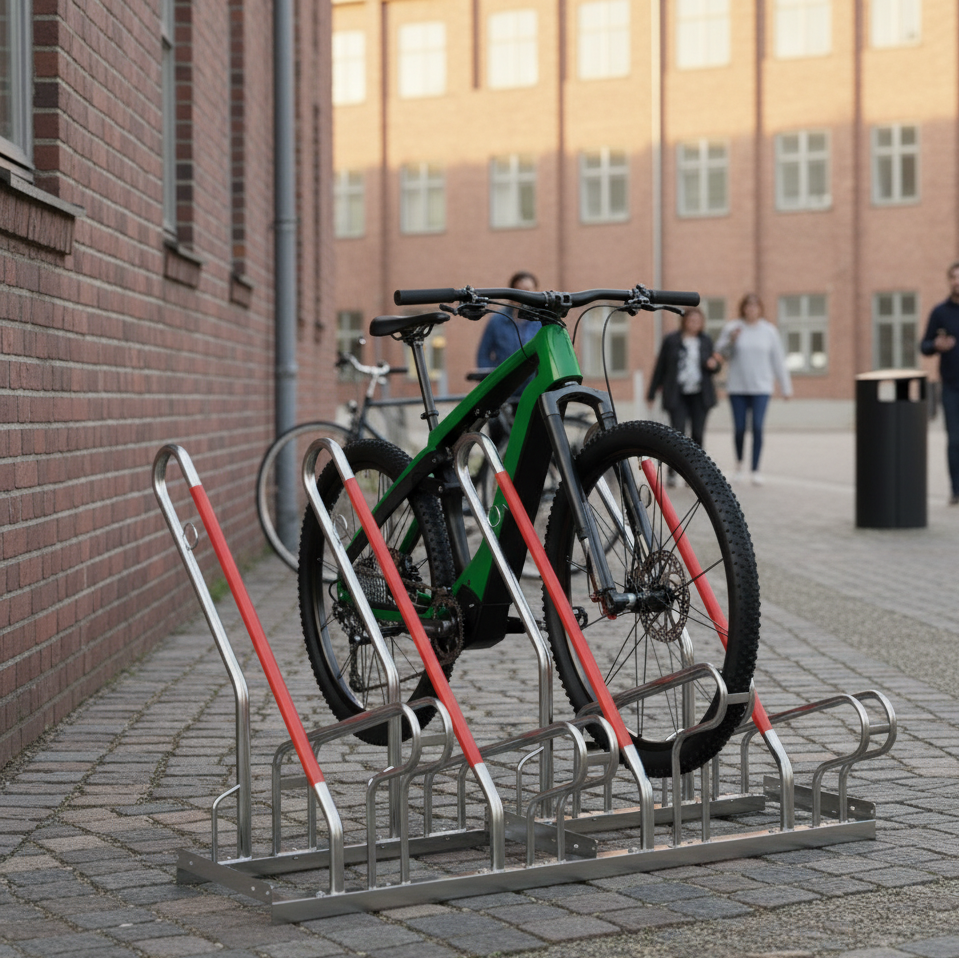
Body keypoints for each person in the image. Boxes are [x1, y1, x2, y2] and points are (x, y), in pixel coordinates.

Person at [714, 293, 792, 485]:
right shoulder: (733, 328)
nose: (751, 310)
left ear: (760, 309)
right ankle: (739, 465)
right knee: (740, 428)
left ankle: (755, 469)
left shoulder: (769, 331)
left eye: (755, 306)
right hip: (737, 388)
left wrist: (785, 387)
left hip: (761, 387)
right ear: (743, 308)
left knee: (757, 427)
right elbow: (719, 353)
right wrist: (731, 340)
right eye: (748, 306)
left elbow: (778, 360)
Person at [646, 307, 720, 466]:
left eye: (698, 321)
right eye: (691, 320)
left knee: (698, 434)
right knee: (678, 433)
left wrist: (714, 365)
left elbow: (715, 366)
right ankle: (674, 470)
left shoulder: (705, 340)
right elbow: (660, 367)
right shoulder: (671, 340)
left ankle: (697, 471)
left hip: (700, 395)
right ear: (684, 321)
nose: (694, 324)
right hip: (677, 394)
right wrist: (651, 393)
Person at [920, 261, 959, 504]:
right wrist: (936, 345)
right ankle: (956, 490)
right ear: (949, 281)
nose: (957, 281)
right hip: (951, 387)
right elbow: (923, 345)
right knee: (955, 439)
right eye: (954, 277)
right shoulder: (940, 312)